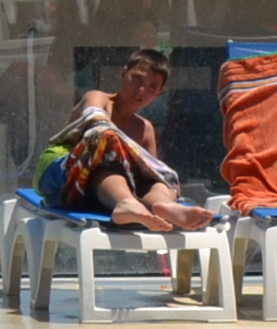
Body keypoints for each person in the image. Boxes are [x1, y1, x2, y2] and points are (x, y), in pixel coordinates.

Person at [32, 49, 211, 229]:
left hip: (100, 192)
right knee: (105, 155)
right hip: (59, 169)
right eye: (137, 79)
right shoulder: (99, 98)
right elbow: (95, 120)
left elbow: (149, 174)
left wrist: (162, 187)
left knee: (158, 181)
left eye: (152, 87)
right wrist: (123, 152)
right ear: (123, 73)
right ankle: (125, 202)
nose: (141, 90)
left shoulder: (144, 129)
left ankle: (163, 205)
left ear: (158, 94)